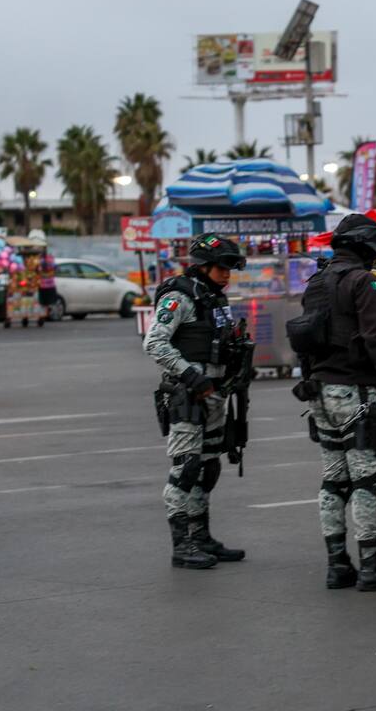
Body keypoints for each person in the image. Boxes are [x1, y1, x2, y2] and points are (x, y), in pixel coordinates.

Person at [299, 214, 376, 591]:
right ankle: (371, 566)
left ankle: (338, 565)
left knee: (333, 481)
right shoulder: (361, 282)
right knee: (367, 480)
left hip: (319, 391)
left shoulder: (317, 281)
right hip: (354, 391)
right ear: (367, 246)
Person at [144, 234, 250, 569]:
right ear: (203, 265)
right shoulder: (180, 296)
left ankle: (200, 535)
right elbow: (155, 342)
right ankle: (182, 545)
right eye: (222, 267)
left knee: (209, 465)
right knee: (186, 468)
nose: (227, 273)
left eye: (231, 267)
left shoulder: (215, 299)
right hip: (188, 395)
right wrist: (192, 377)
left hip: (215, 395)